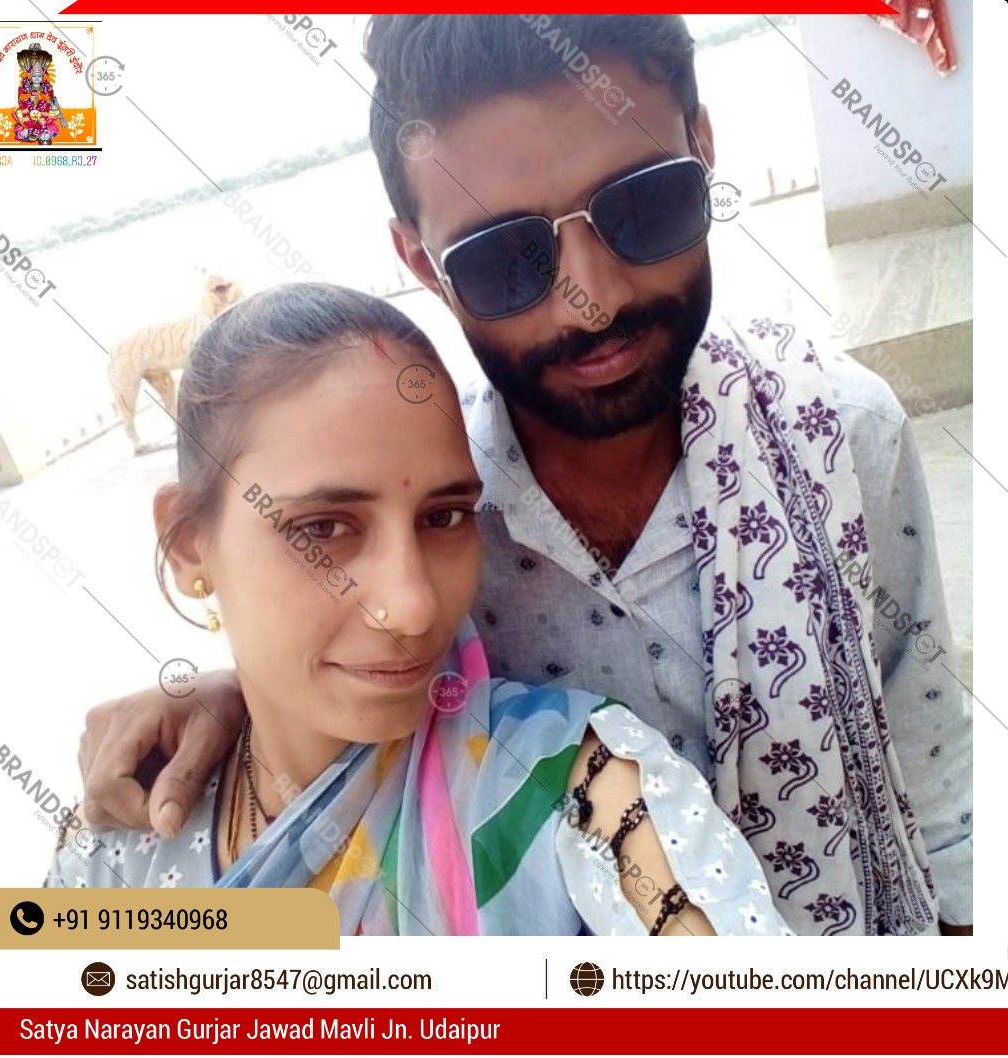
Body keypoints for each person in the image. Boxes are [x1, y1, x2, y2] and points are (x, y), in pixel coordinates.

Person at [77, 15, 971, 935]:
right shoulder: (429, 500)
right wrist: (235, 692)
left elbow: (936, 763)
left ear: (703, 150)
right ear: (422, 263)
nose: (594, 300)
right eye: (506, 259)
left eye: (644, 207)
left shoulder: (840, 432)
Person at [48, 283, 789, 937]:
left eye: (444, 517)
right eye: (323, 529)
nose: (412, 608)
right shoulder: (123, 832)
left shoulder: (576, 784)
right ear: (188, 544)